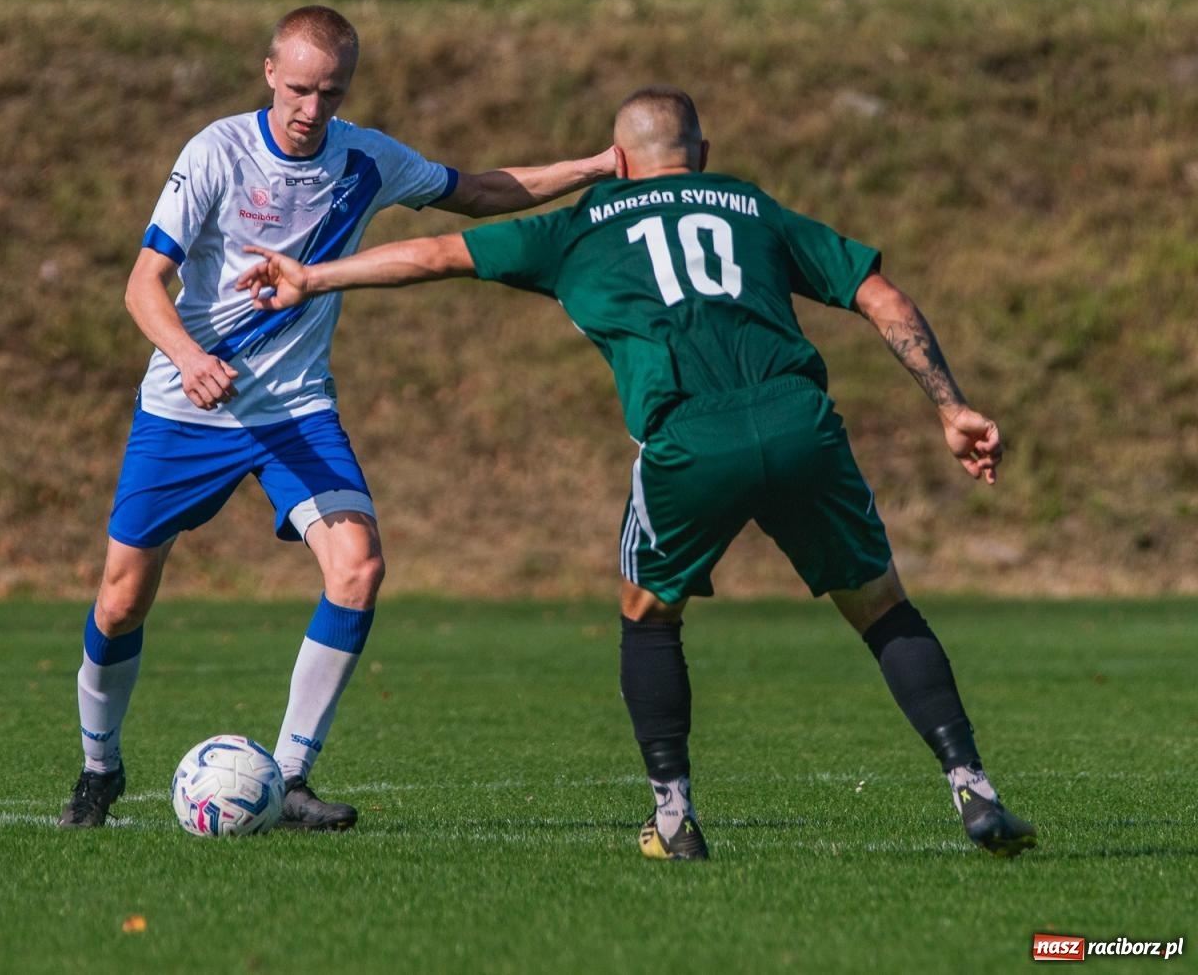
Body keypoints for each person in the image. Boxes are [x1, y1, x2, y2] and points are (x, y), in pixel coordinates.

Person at [236, 85, 1036, 859]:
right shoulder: (751, 206)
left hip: (690, 439)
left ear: (619, 160)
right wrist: (950, 405)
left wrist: (314, 276)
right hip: (801, 424)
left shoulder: (582, 226)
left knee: (648, 613)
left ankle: (674, 816)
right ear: (703, 154)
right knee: (882, 606)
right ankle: (974, 787)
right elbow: (880, 293)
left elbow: (438, 253)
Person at [59, 5, 615, 830]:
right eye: (300, 89)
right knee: (120, 600)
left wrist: (601, 163)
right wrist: (188, 357)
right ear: (268, 73)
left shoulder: (367, 158)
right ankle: (99, 766)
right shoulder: (217, 152)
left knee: (357, 566)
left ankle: (286, 777)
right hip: (187, 408)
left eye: (331, 91)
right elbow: (144, 282)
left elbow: (479, 190)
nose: (312, 108)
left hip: (295, 410)